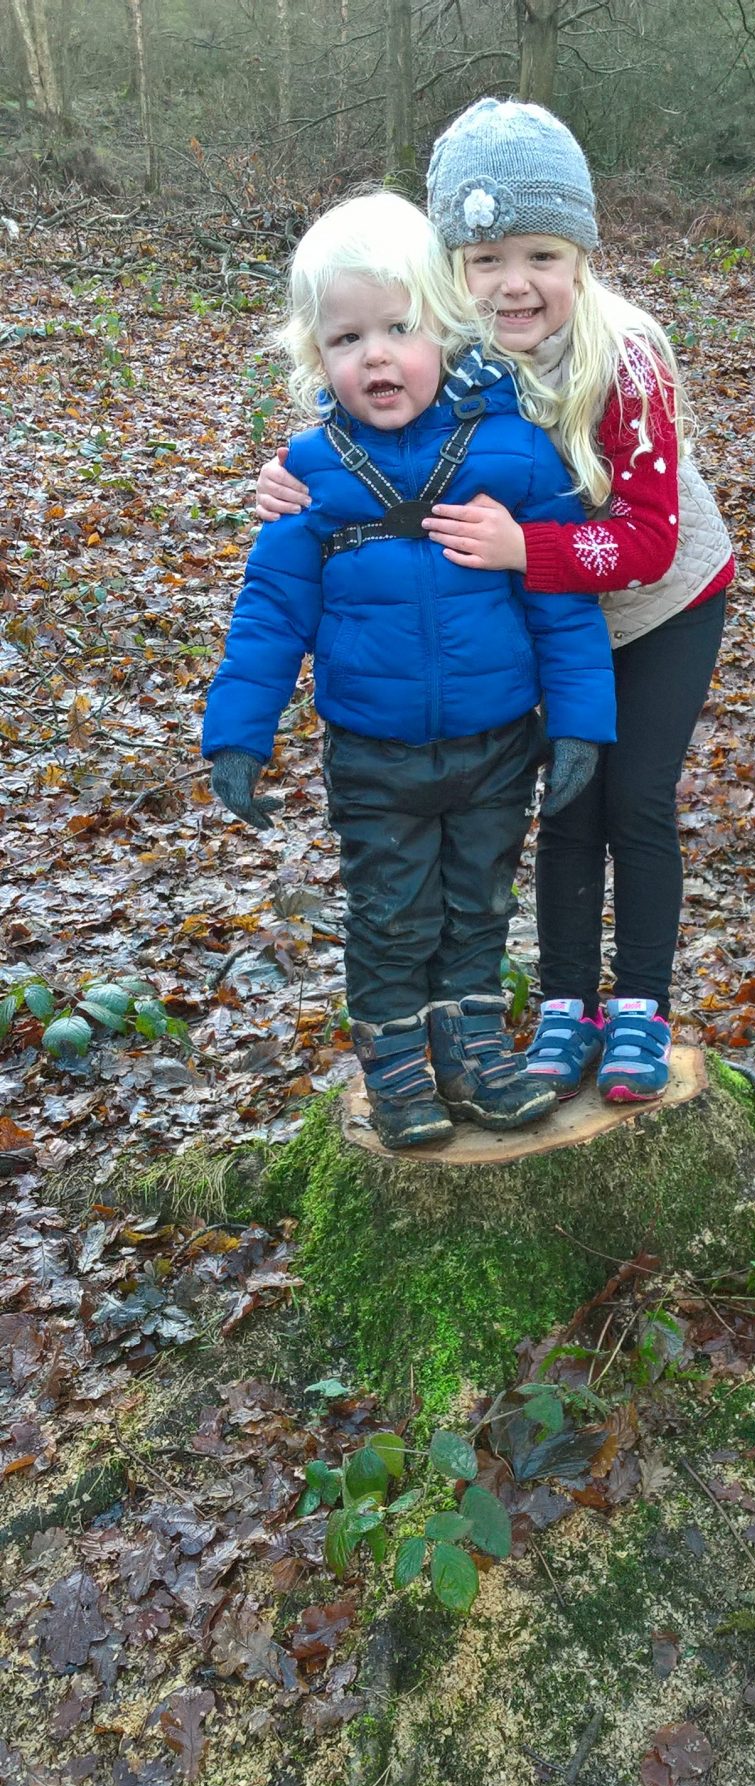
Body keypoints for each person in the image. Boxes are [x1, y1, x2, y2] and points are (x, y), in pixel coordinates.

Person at [256, 100, 733, 1106]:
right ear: (450, 269)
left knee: (632, 799)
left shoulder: (626, 354)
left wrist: (527, 547)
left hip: (661, 601)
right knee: (563, 805)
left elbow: (649, 541)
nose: (514, 283)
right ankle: (562, 1004)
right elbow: (364, 402)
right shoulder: (449, 339)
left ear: (582, 256)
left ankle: (639, 1006)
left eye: (542, 255)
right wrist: (292, 476)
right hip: (545, 617)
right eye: (485, 259)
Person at [204, 190, 616, 1150]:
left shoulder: (513, 453)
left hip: (496, 740)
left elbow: (561, 602)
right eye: (347, 339)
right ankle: (395, 1068)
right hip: (375, 752)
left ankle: (476, 1055)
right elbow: (270, 613)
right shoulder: (312, 475)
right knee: (391, 913)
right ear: (318, 357)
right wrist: (237, 737)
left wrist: (579, 725)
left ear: (447, 332)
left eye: (399, 329)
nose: (376, 357)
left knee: (478, 904)